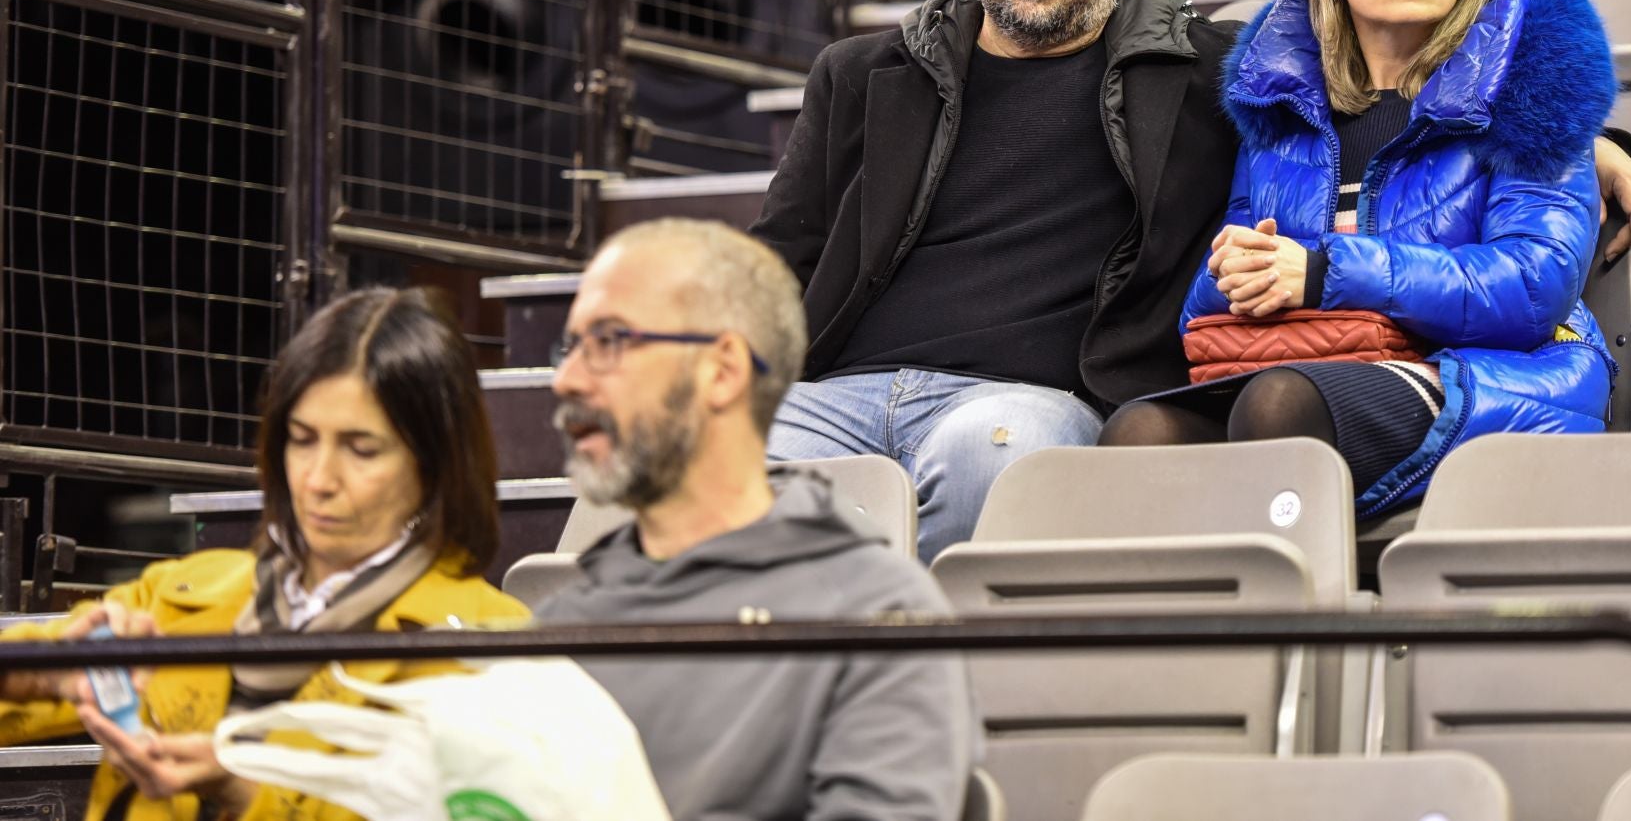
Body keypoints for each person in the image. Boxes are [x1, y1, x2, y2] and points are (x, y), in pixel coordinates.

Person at [752, 0, 1631, 559]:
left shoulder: (1193, 69)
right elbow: (776, 263)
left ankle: (931, 698)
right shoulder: (861, 72)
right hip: (844, 387)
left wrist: (1595, 141)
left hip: (1022, 401)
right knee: (697, 463)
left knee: (1013, 450)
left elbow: (1495, 135)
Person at [1100, 0, 1618, 518]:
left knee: (1278, 405)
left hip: (1492, 377)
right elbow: (1209, 308)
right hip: (1317, 368)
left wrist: (1324, 271)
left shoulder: (1531, 86)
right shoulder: (1282, 109)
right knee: (1138, 435)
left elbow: (1535, 286)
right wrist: (1235, 273)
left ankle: (1286, 627)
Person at [0, 288, 526, 821]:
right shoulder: (183, 593)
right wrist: (37, 673)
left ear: (436, 463)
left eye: (361, 449)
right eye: (301, 439)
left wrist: (243, 793)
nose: (318, 480)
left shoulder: (489, 646)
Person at [541, 217, 976, 821]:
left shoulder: (876, 616)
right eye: (570, 347)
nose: (567, 380)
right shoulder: (560, 623)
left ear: (721, 371)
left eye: (609, 342)